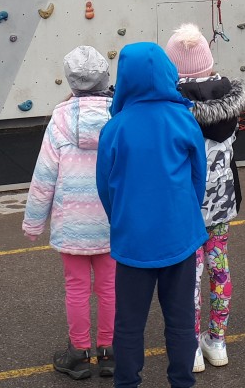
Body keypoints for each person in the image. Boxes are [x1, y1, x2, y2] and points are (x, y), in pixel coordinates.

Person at [96, 42, 207, 388]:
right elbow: (197, 178)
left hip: (133, 241)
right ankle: (181, 381)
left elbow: (105, 186)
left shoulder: (115, 128)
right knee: (180, 320)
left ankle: (127, 382)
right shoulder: (183, 119)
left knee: (128, 323)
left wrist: (122, 218)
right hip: (179, 236)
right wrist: (185, 216)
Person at [23, 46, 115, 380]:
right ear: (106, 77)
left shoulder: (60, 117)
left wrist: (34, 221)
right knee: (110, 287)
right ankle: (109, 349)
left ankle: (78, 353)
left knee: (76, 288)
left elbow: (44, 174)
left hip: (71, 222)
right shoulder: (118, 115)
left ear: (71, 81)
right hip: (111, 219)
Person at [163, 24, 245, 372]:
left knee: (189, 273)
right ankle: (217, 340)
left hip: (185, 204)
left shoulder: (170, 107)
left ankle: (191, 347)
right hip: (222, 200)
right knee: (219, 267)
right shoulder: (229, 102)